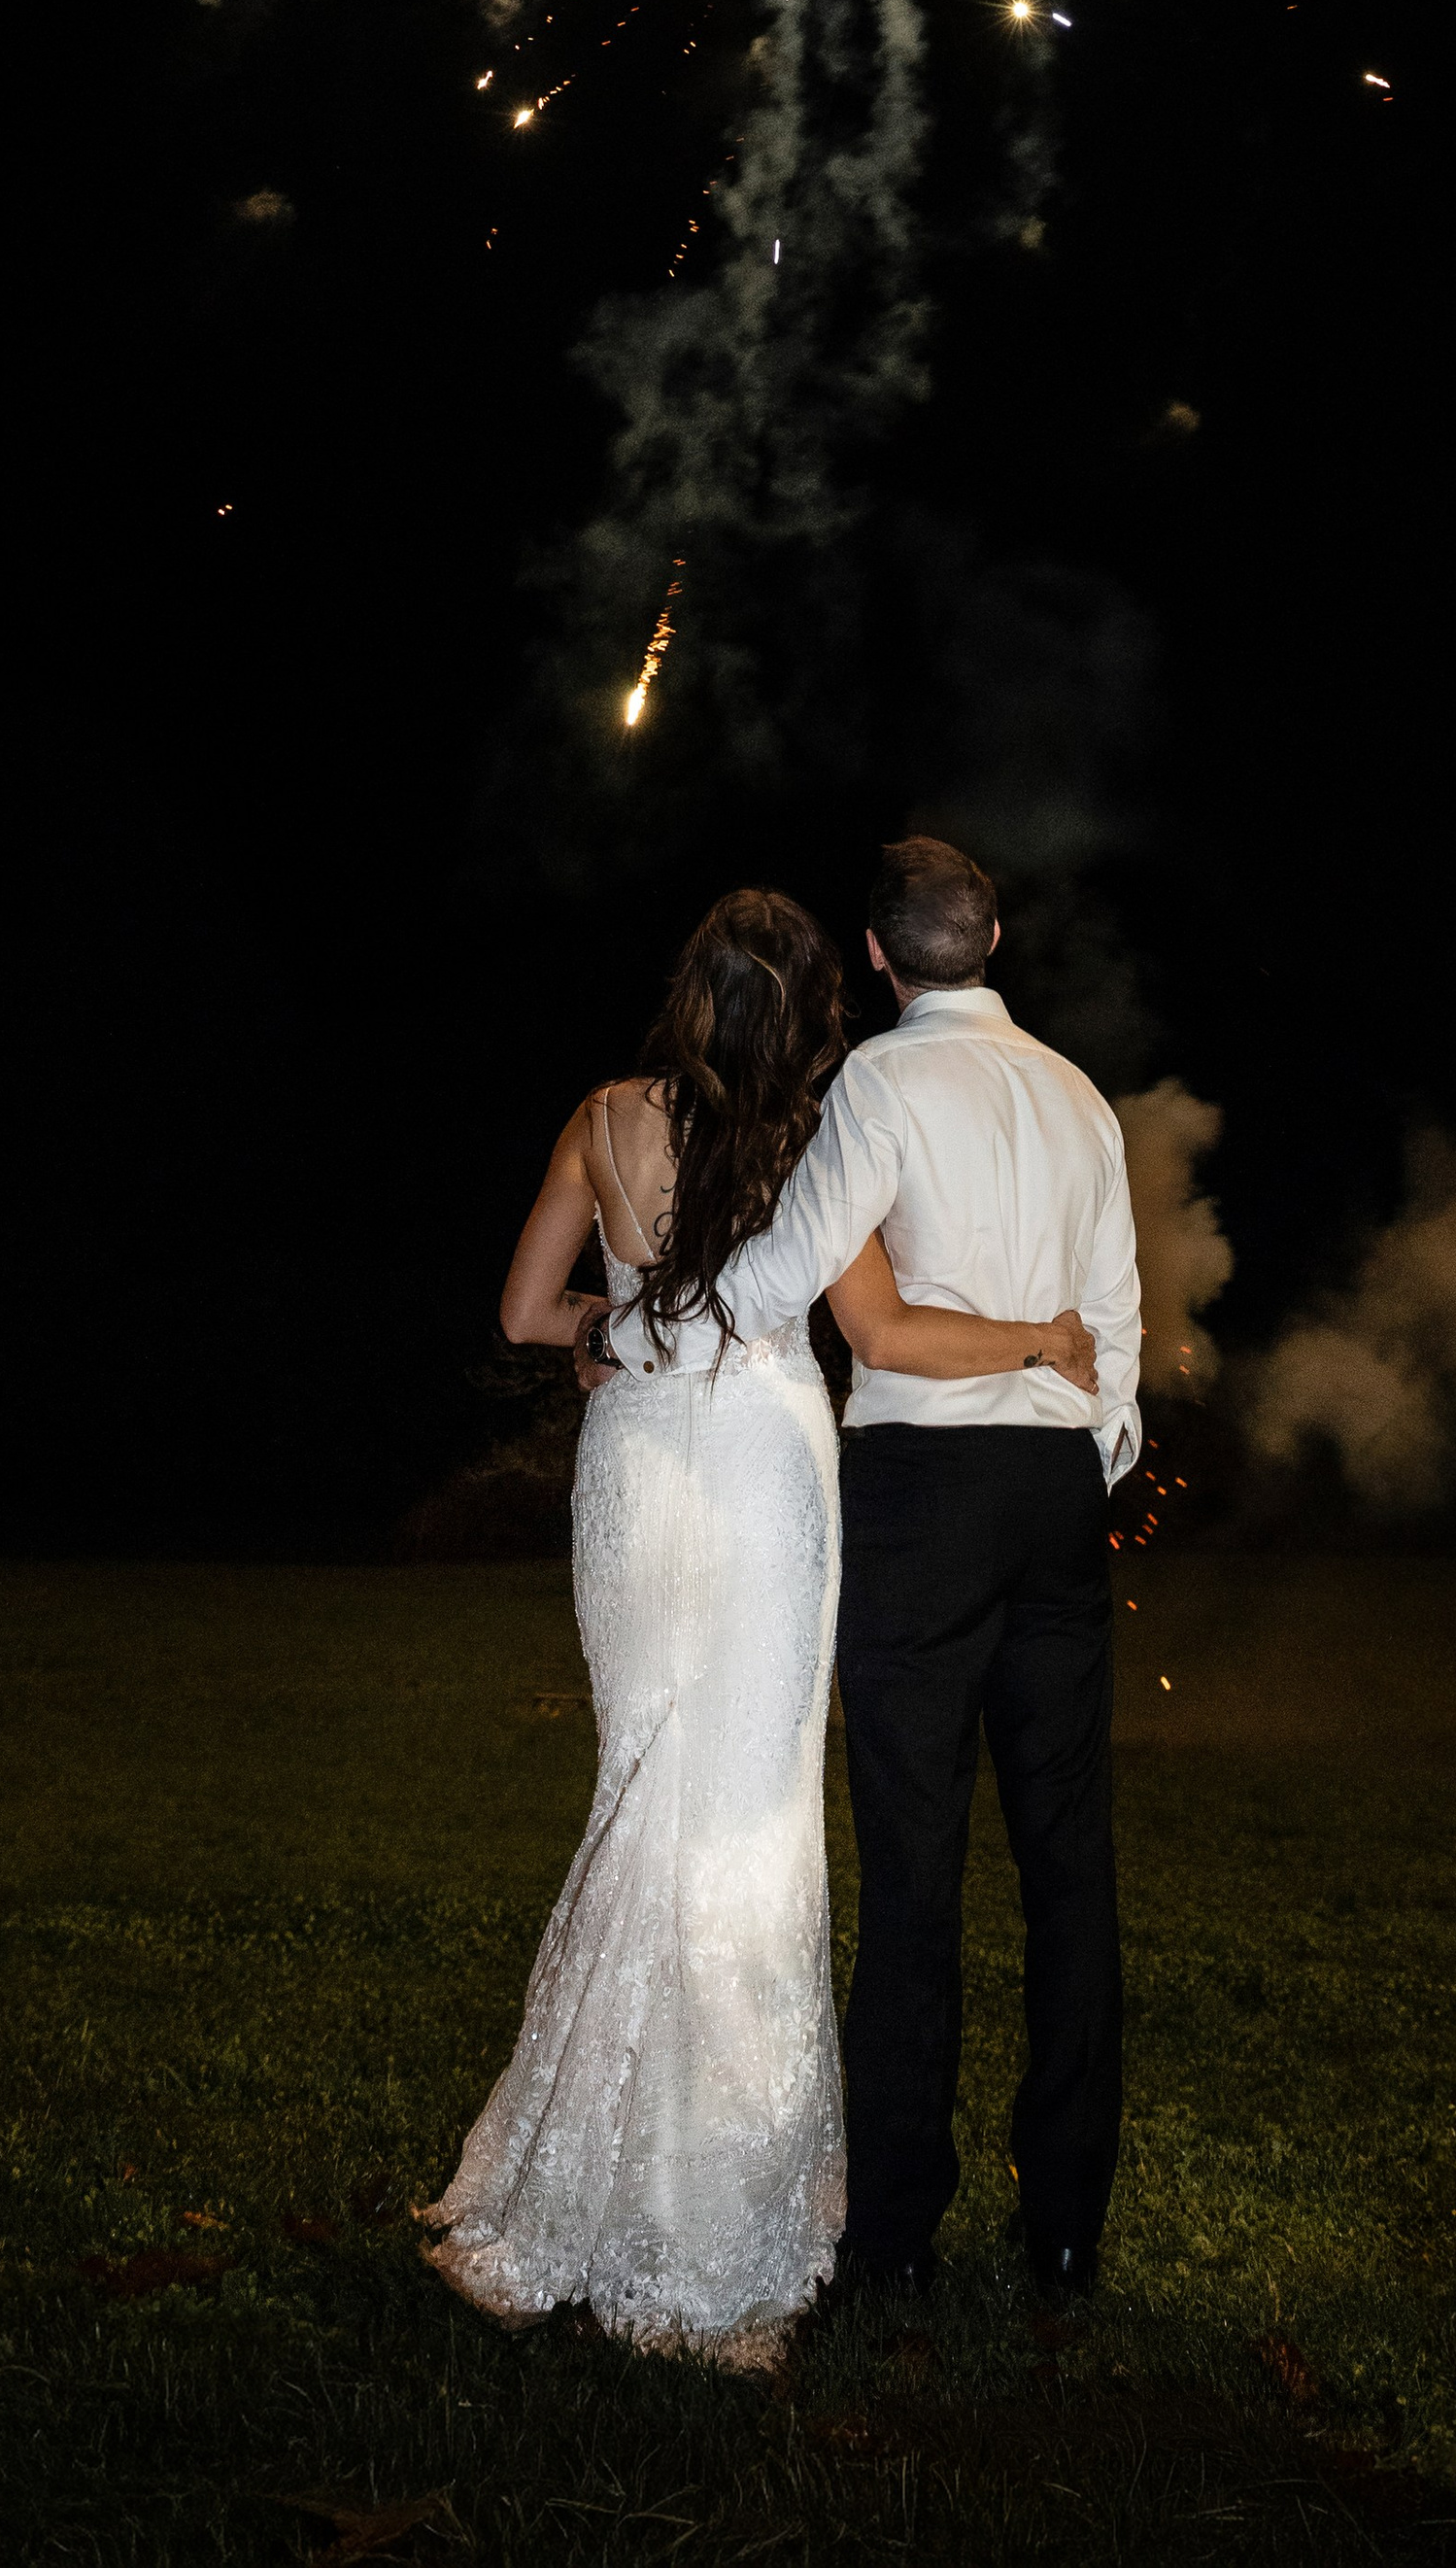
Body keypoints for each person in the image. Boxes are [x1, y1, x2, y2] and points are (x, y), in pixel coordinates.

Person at [418, 885, 1097, 2371]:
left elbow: (531, 1313)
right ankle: (720, 2212)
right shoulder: (813, 1141)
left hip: (640, 1481)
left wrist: (617, 1331)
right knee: (747, 1820)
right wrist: (1042, 1339)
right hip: (773, 1481)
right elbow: (884, 1333)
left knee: (647, 1796)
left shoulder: (601, 1118)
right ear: (810, 1009)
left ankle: (577, 2188)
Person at [794, 837, 1143, 2306]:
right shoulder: (1077, 1094)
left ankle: (894, 2239)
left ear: (876, 955)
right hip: (1055, 1487)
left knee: (915, 1859)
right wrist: (1087, 1448)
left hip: (927, 1488)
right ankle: (1065, 2228)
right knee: (1070, 1860)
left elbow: (819, 1271)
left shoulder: (874, 1085)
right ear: (992, 934)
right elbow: (1114, 1322)